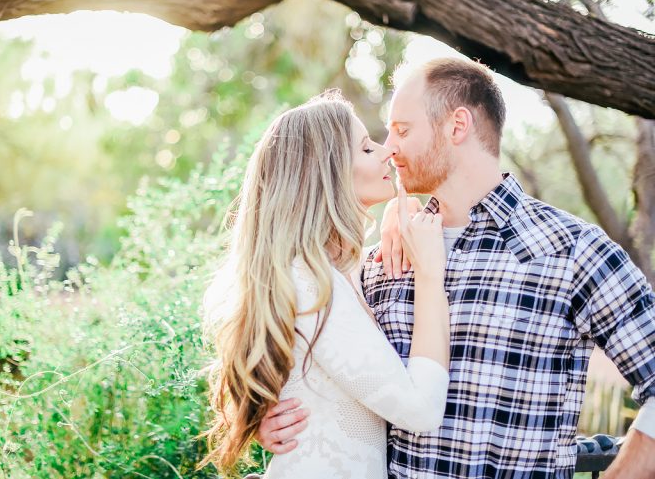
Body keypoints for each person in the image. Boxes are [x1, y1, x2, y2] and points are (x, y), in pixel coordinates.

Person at [258, 57, 655, 479]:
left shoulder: (571, 250)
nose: (389, 148)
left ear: (457, 126)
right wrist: (278, 422)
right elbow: (344, 383)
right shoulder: (383, 261)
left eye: (403, 130)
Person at [200, 92, 452, 478]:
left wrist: (401, 213)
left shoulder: (332, 272)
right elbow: (420, 410)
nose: (387, 152)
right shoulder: (313, 288)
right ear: (327, 173)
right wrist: (431, 273)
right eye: (366, 148)